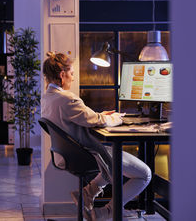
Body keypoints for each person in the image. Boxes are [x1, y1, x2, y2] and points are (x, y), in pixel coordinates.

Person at [41, 51, 151, 221]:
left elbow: (84, 117)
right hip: (85, 156)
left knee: (114, 159)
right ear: (62, 75)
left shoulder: (47, 98)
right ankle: (106, 212)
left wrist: (98, 116)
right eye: (71, 74)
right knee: (145, 174)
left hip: (67, 155)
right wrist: (115, 118)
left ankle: (87, 194)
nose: (73, 78)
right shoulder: (67, 99)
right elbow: (95, 120)